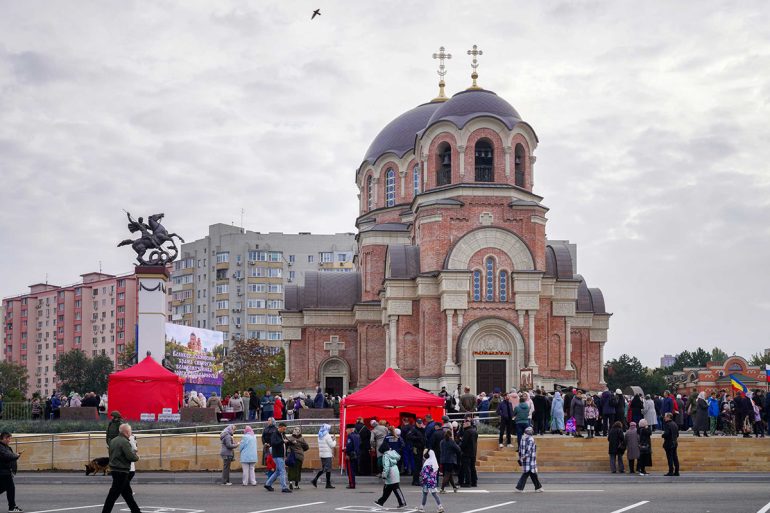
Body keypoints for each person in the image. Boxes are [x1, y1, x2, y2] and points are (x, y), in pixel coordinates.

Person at [101, 423, 140, 513]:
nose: (131, 433)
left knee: (127, 495)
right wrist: (137, 457)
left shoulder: (113, 441)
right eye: (130, 431)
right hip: (122, 471)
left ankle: (136, 511)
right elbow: (131, 457)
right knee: (113, 495)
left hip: (114, 469)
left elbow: (111, 454)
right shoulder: (124, 442)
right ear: (126, 432)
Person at [375, 443, 406, 509]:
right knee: (388, 488)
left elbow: (386, 466)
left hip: (390, 473)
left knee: (394, 488)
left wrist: (384, 475)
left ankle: (402, 503)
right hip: (395, 470)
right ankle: (381, 502)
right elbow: (398, 457)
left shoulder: (386, 455)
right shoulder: (393, 452)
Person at [264, 422, 291, 493]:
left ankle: (268, 484)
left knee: (278, 471)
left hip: (281, 455)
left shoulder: (282, 434)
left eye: (285, 429)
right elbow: (273, 443)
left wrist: (290, 442)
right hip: (277, 455)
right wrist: (282, 441)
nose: (284, 430)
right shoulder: (274, 434)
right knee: (282, 471)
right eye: (283, 429)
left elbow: (285, 441)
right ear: (280, 427)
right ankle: (284, 487)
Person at [515, 426, 543, 493]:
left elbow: (520, 449)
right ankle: (519, 488)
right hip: (530, 459)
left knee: (533, 474)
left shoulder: (522, 438)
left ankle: (538, 487)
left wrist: (521, 457)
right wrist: (525, 456)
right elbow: (529, 450)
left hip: (525, 459)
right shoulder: (531, 439)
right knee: (527, 473)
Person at [0, 431, 23, 512]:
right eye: (8, 438)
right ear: (3, 438)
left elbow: (10, 455)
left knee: (6, 488)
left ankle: (12, 507)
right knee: (10, 488)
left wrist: (15, 455)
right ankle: (12, 507)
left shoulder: (6, 447)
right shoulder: (1, 447)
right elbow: (7, 456)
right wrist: (16, 456)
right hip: (3, 472)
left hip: (5, 472)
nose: (10, 440)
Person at [311, 423, 337, 489]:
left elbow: (325, 443)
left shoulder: (320, 434)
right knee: (327, 469)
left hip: (322, 454)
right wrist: (334, 440)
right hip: (327, 454)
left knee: (325, 468)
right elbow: (332, 445)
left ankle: (328, 483)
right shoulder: (327, 435)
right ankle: (315, 480)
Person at [459, 418, 478, 487]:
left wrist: (460, 445)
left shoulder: (467, 432)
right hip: (473, 452)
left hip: (466, 453)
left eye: (464, 423)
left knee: (467, 468)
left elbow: (464, 444)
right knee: (472, 467)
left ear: (467, 424)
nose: (463, 424)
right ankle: (474, 482)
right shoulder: (474, 431)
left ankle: (468, 482)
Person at [408, 418, 427, 486]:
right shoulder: (413, 429)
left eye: (421, 423)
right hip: (416, 448)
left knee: (419, 465)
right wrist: (417, 438)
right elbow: (409, 436)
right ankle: (415, 481)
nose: (420, 424)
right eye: (419, 423)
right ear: (416, 423)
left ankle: (416, 480)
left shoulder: (422, 430)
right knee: (417, 464)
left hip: (421, 448)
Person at [344, 424, 360, 489]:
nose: (346, 431)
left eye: (347, 429)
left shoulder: (350, 436)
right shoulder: (357, 435)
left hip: (351, 455)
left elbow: (349, 446)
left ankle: (352, 484)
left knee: (350, 471)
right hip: (356, 455)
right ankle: (352, 483)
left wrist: (347, 454)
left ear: (350, 429)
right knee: (353, 470)